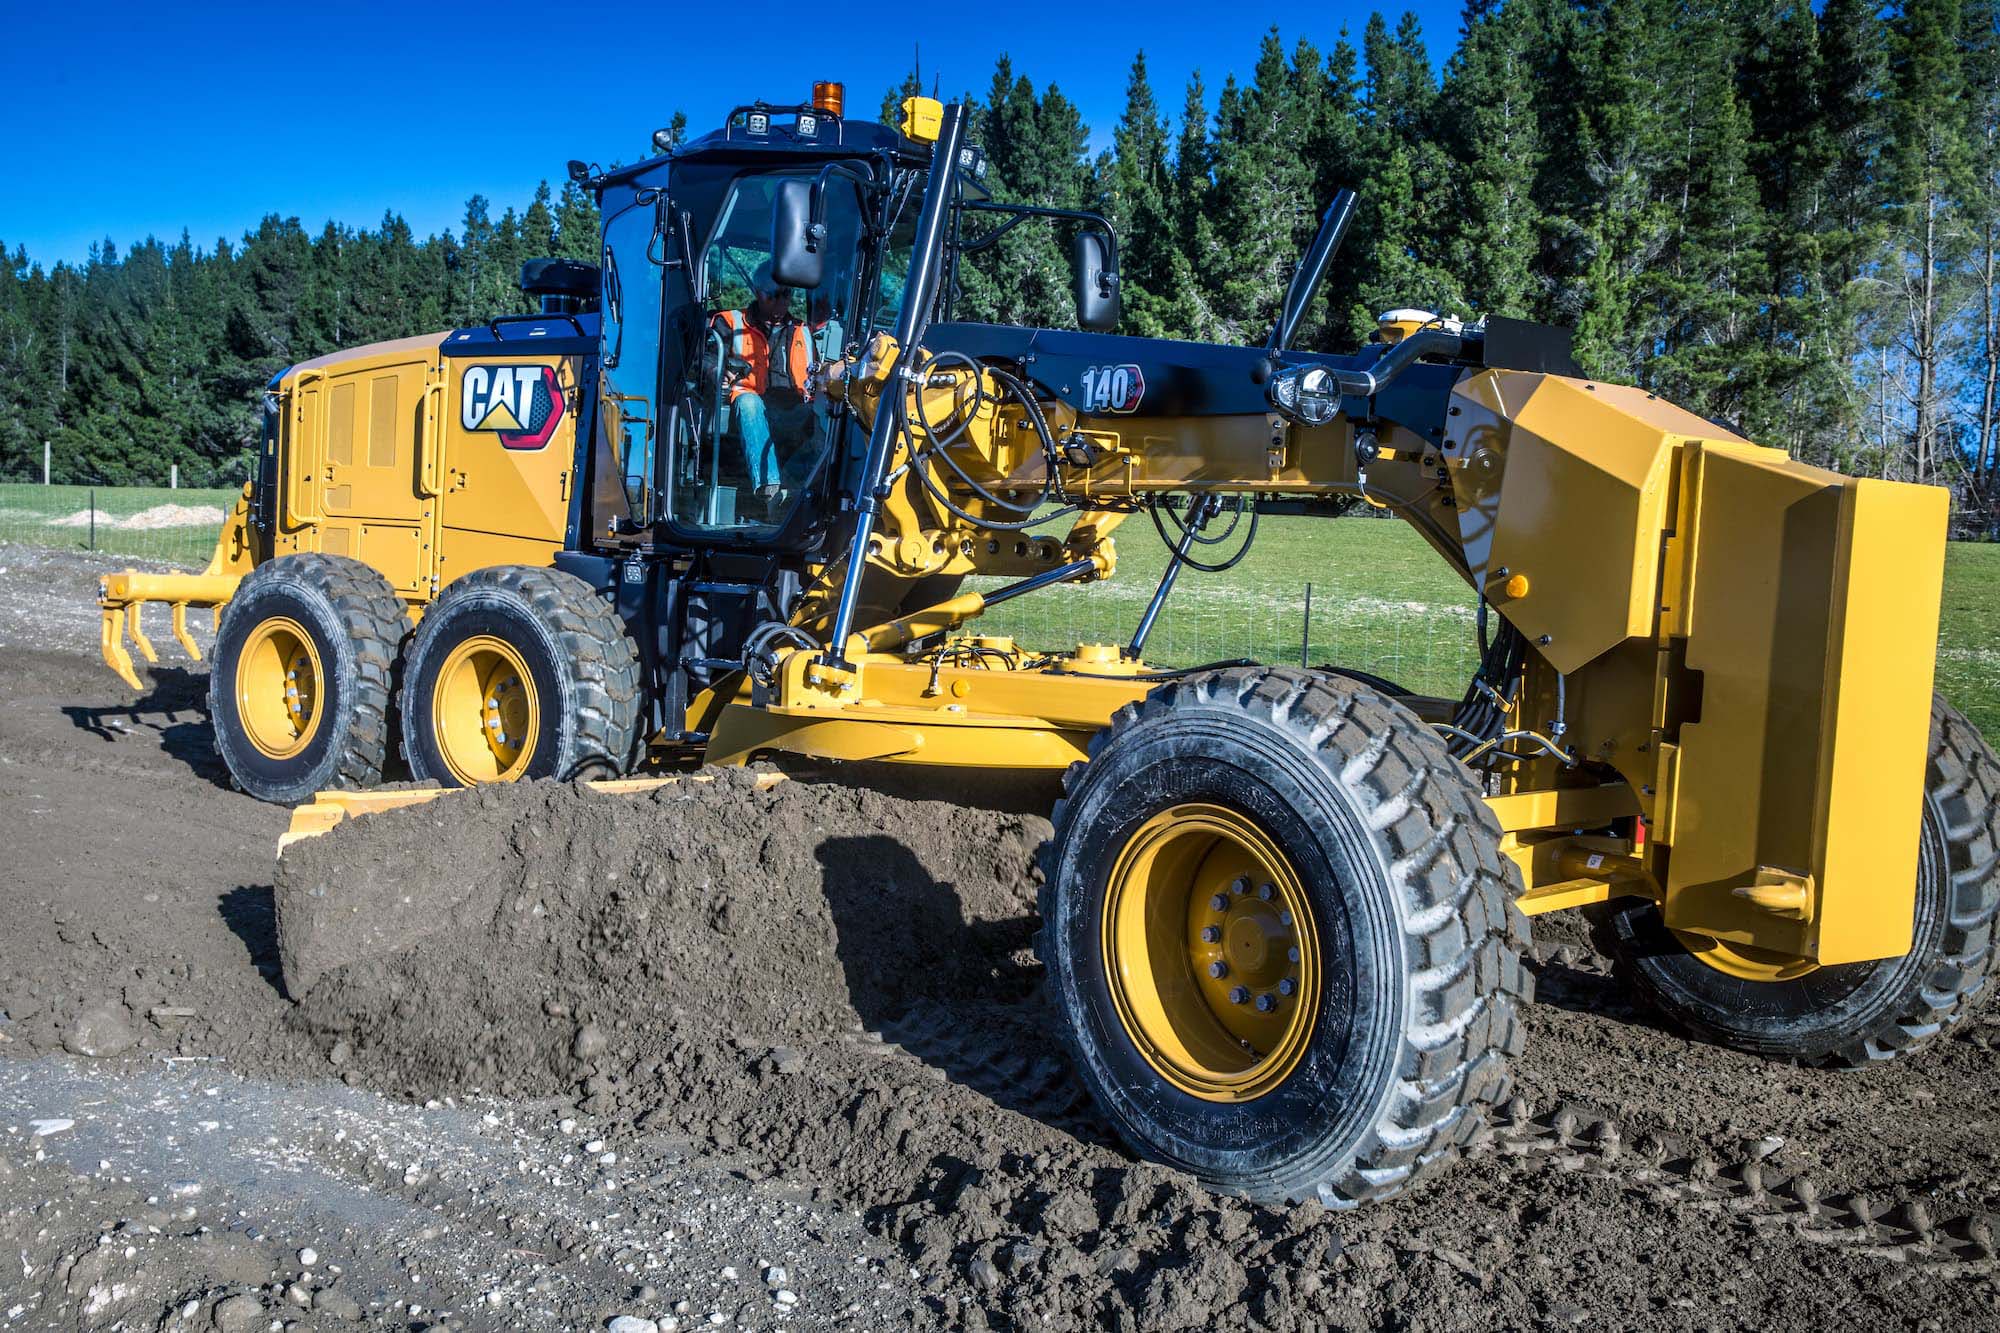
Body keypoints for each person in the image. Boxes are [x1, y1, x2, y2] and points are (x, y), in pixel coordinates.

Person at [712, 263, 820, 501]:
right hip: (752, 408)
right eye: (774, 295)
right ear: (758, 293)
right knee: (748, 402)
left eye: (786, 295)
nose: (781, 302)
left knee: (827, 415)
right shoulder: (730, 323)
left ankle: (801, 490)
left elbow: (818, 374)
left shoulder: (802, 331)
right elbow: (706, 360)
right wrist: (719, 372)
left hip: (795, 408)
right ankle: (769, 488)